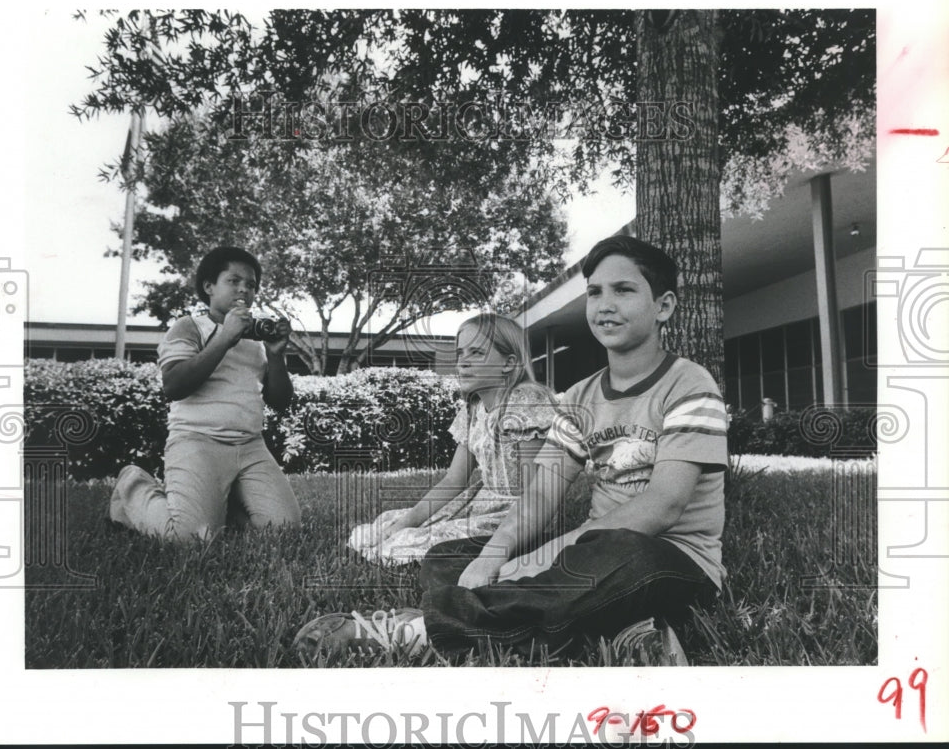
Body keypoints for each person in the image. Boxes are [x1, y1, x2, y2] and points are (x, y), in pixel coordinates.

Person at [294, 235, 728, 659]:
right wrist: (496, 555)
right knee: (447, 557)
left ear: (664, 306)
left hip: (667, 560)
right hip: (588, 555)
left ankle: (416, 630)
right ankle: (619, 632)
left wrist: (538, 558)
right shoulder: (579, 397)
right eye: (595, 292)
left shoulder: (689, 385)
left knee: (621, 554)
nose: (604, 304)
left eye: (624, 290)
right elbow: (541, 493)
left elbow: (663, 506)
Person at [109, 246, 301, 541]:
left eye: (251, 285)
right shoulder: (189, 327)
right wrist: (225, 337)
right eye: (233, 281)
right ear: (209, 287)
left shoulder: (257, 339)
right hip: (197, 441)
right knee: (189, 538)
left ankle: (220, 503)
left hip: (250, 445)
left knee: (284, 530)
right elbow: (173, 386)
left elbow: (280, 402)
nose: (244, 290)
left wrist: (276, 356)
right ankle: (132, 487)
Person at [347, 313, 559, 564]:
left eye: (477, 353)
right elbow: (453, 481)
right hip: (480, 502)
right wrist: (406, 523)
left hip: (519, 514)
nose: (463, 362)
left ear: (509, 363)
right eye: (460, 353)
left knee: (405, 546)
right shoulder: (473, 409)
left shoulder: (525, 402)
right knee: (389, 525)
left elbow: (536, 491)